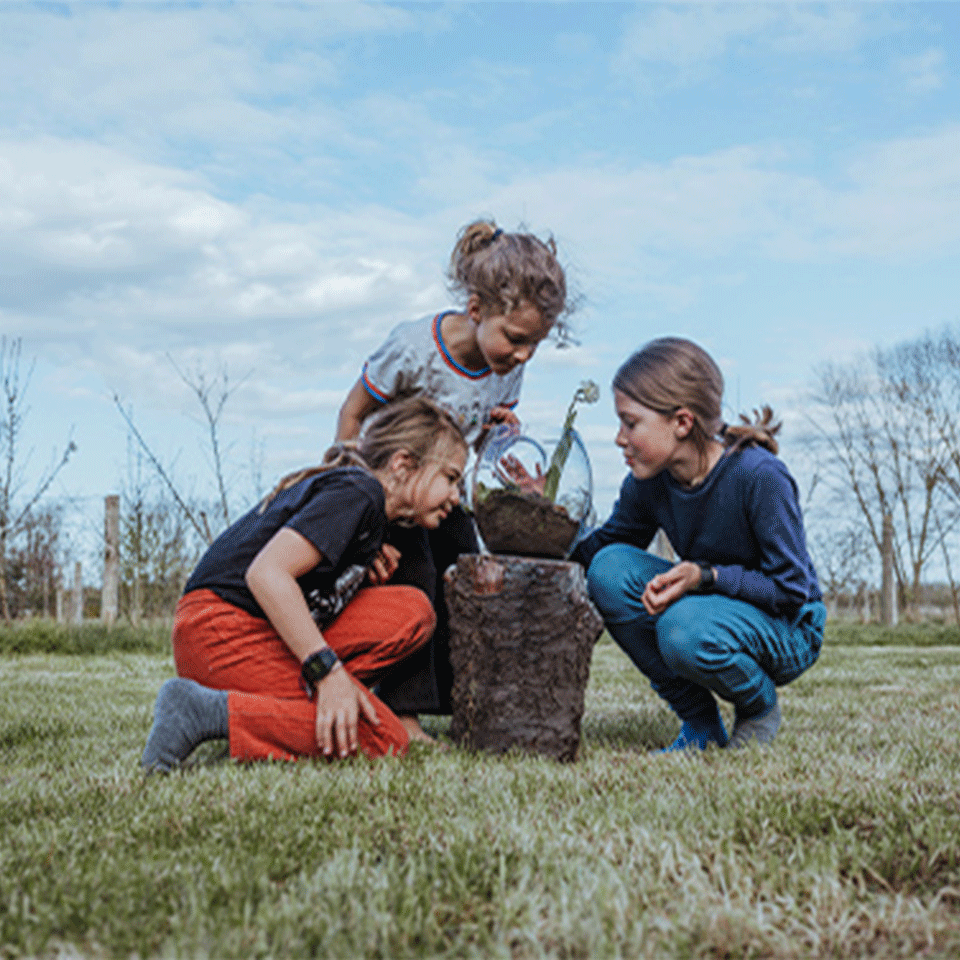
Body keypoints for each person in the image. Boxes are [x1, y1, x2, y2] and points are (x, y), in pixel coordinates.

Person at [141, 395, 468, 773]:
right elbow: (267, 574)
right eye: (450, 479)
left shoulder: (366, 509)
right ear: (403, 464)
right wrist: (327, 673)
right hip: (218, 632)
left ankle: (304, 704)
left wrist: (357, 570)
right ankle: (202, 711)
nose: (456, 497)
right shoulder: (357, 492)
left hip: (248, 630)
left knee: (411, 612)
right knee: (382, 737)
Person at [335, 219, 571, 739]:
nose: (524, 354)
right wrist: (354, 492)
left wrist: (496, 436)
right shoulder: (414, 348)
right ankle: (402, 709)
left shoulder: (506, 365)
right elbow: (353, 413)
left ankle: (466, 697)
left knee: (468, 568)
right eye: (515, 338)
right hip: (394, 495)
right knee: (414, 571)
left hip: (444, 494)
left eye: (535, 343)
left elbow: (473, 442)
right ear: (476, 309)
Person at [572, 337, 825, 752]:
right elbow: (597, 552)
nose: (619, 438)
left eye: (630, 423)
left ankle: (758, 705)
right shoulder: (649, 482)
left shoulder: (759, 477)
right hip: (708, 607)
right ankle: (700, 726)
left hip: (788, 625)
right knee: (609, 569)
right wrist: (540, 513)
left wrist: (706, 576)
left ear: (682, 422)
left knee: (682, 627)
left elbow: (791, 590)